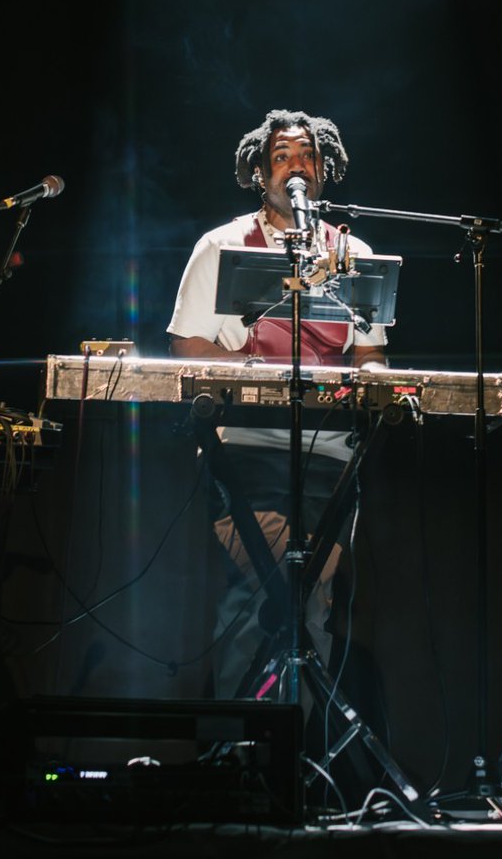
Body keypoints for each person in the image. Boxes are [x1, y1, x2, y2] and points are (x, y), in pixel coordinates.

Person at [166, 108, 389, 701]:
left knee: (314, 602)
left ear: (326, 168)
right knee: (263, 596)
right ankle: (240, 757)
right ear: (261, 171)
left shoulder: (353, 250)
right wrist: (244, 371)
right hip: (244, 445)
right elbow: (186, 343)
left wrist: (370, 382)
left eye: (308, 156)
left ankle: (301, 764)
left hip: (330, 452)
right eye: (284, 156)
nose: (298, 166)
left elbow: (370, 355)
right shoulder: (220, 245)